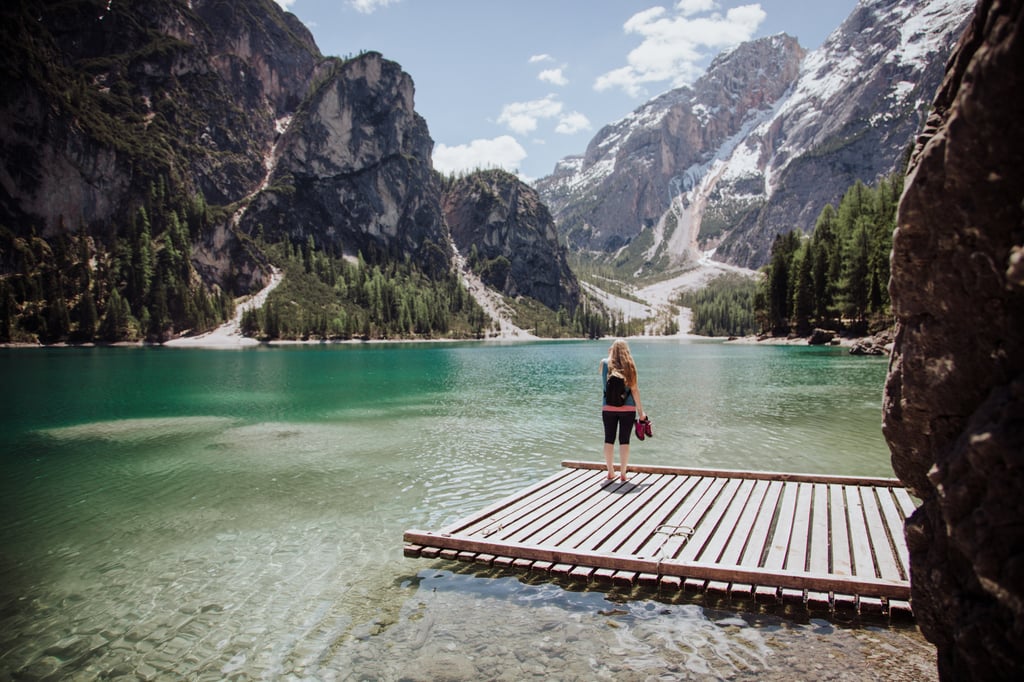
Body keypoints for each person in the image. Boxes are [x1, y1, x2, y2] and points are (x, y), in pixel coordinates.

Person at [600, 339, 646, 482]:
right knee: (624, 440)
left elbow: (604, 374)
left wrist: (610, 354)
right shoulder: (630, 365)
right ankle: (624, 474)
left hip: (608, 407)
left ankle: (610, 472)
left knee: (609, 439)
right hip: (628, 408)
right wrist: (641, 412)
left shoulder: (605, 363)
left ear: (612, 349)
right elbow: (634, 390)